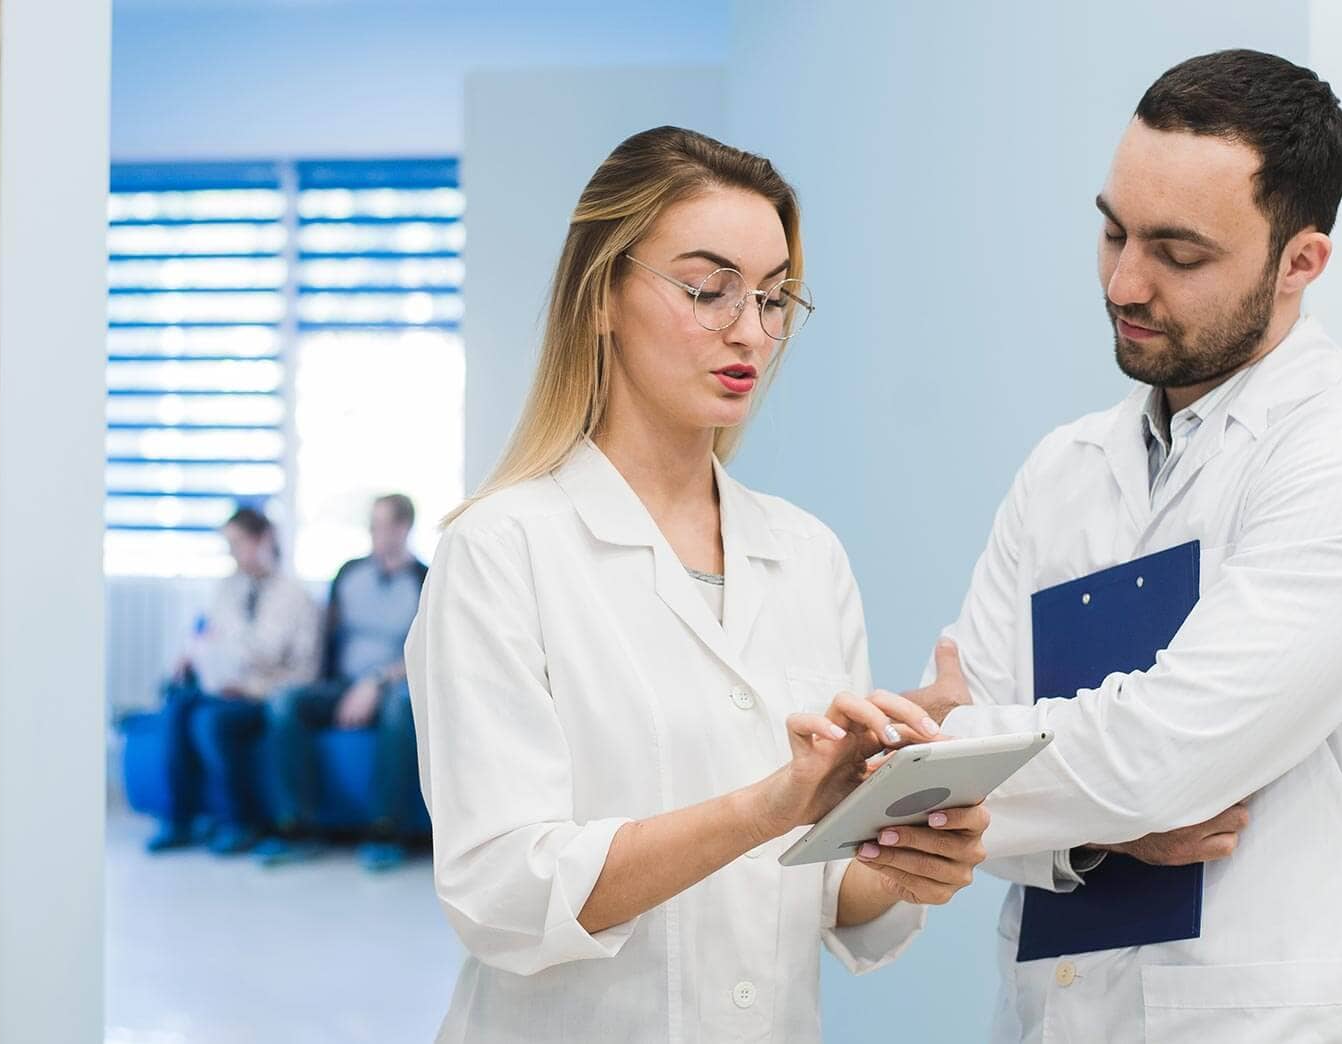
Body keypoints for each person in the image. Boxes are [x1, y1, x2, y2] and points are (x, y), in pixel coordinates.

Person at [877, 50, 1342, 1041]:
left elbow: (1160, 757)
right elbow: (959, 821)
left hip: (1255, 1014)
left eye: (1178, 254)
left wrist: (928, 755)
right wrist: (1092, 828)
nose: (1123, 281)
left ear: (1299, 263)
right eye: (1110, 231)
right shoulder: (1062, 468)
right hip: (1051, 1010)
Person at [406, 126, 991, 1042]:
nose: (750, 331)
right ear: (601, 295)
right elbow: (504, 892)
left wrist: (907, 836)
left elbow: (821, 885)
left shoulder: (807, 555)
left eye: (773, 297)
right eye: (707, 289)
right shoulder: (501, 550)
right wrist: (766, 805)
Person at [256, 493, 428, 871]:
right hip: (342, 685)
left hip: (394, 685)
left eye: (384, 526)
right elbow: (326, 636)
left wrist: (376, 682)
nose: (376, 535)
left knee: (400, 707)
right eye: (372, 526)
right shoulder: (349, 574)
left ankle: (386, 830)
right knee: (285, 703)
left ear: (404, 528)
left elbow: (428, 650)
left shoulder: (425, 580)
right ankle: (297, 826)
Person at [148, 506, 321, 855]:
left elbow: (265, 652)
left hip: (270, 692)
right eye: (229, 545)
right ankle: (180, 818)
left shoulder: (292, 593)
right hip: (232, 687)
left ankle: (239, 822)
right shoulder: (230, 589)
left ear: (264, 540)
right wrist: (192, 654)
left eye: (239, 543)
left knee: (211, 721)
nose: (234, 555)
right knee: (178, 703)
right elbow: (207, 634)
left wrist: (222, 640)